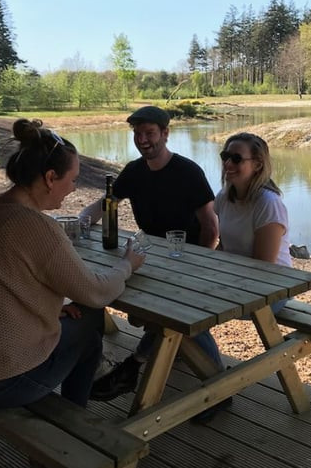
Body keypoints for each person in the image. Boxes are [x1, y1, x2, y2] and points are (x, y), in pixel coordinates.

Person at [0, 119, 145, 409]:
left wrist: (52, 308)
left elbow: (1, 282)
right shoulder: (35, 226)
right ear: (50, 177)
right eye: (72, 179)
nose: (73, 188)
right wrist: (127, 264)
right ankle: (76, 422)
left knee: (80, 328)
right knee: (90, 322)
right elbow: (96, 292)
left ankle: (76, 413)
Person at [80, 105, 222, 404]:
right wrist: (81, 221)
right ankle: (156, 355)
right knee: (109, 294)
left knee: (178, 315)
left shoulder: (188, 172)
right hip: (152, 258)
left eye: (150, 133)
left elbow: (211, 226)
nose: (143, 140)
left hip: (191, 258)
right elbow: (107, 203)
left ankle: (218, 388)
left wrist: (198, 261)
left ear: (166, 134)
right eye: (138, 134)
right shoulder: (134, 171)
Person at [214, 132, 292, 314]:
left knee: (190, 308)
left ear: (257, 164)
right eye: (225, 157)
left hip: (273, 289)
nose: (227, 164)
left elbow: (263, 266)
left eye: (236, 159)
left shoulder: (268, 204)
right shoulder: (223, 197)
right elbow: (224, 246)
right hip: (236, 280)